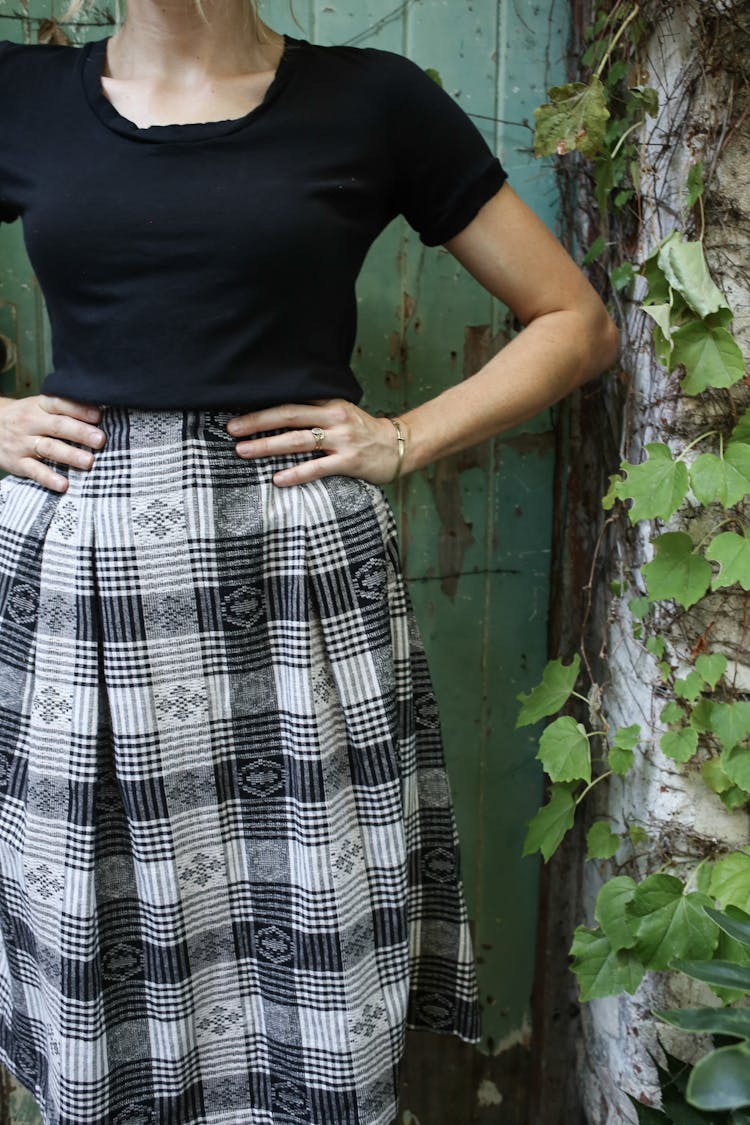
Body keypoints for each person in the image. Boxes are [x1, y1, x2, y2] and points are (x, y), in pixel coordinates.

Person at [0, 2, 620, 1122]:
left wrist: (407, 436)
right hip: (89, 593)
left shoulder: (374, 100)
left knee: (311, 921)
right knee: (109, 934)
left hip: (292, 571)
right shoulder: (20, 96)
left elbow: (574, 320)